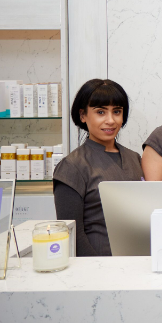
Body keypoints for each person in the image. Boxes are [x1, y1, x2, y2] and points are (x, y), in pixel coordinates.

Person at [53, 79, 144, 256]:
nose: (110, 120)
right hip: (97, 262)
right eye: (100, 112)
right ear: (83, 115)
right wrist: (98, 267)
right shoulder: (72, 166)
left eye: (116, 111)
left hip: (139, 259)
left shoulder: (134, 158)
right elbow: (72, 233)